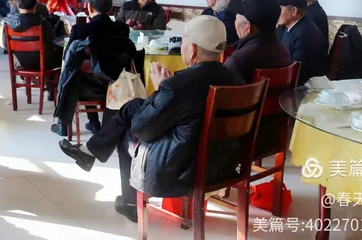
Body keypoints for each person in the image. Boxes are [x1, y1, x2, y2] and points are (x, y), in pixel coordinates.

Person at [58, 16, 243, 222]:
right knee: (133, 106)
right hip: (221, 162)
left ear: (192, 49)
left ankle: (129, 202)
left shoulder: (179, 86)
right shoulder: (236, 79)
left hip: (181, 168)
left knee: (126, 132)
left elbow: (142, 129)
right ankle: (89, 151)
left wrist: (160, 89)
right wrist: (165, 92)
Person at [52, 0, 138, 137]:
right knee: (90, 69)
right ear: (111, 8)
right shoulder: (122, 29)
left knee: (74, 72)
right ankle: (93, 122)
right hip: (115, 84)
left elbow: (67, 58)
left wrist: (73, 33)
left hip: (85, 87)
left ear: (89, 7)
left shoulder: (80, 30)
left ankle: (63, 124)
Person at [224, 0, 291, 83]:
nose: (235, 24)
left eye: (235, 19)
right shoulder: (283, 51)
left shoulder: (238, 60)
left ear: (248, 27)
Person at [5, 0, 63, 76]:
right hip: (43, 62)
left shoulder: (8, 23)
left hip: (21, 62)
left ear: (18, 6)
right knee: (65, 54)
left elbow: (6, 45)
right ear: (35, 6)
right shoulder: (42, 23)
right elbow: (53, 43)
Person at [276, 0, 329, 83]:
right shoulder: (294, 26)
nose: (277, 14)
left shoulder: (304, 33)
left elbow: (297, 70)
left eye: (280, 10)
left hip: (306, 84)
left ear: (294, 11)